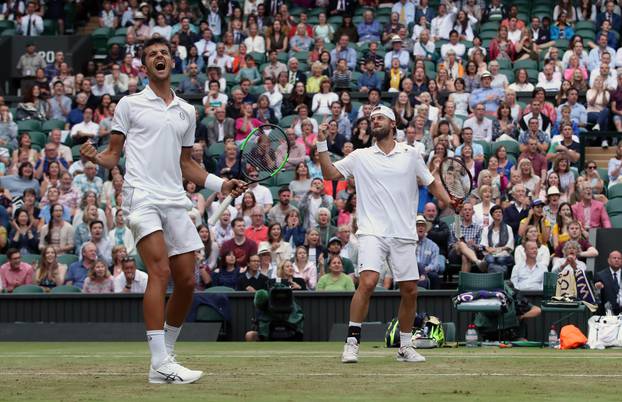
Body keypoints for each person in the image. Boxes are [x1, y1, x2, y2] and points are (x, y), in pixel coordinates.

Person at [79, 37, 245, 384]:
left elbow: (187, 164)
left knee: (186, 280)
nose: (159, 57)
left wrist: (220, 184)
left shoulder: (187, 111)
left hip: (173, 199)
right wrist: (96, 157)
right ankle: (160, 361)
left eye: (164, 53)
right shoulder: (129, 104)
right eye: (152, 54)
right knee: (160, 272)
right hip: (141, 197)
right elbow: (113, 155)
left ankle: (164, 358)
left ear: (172, 62)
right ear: (144, 65)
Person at [316, 104, 450, 363]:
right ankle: (352, 343)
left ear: (393, 124)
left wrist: (447, 201)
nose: (374, 121)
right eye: (372, 118)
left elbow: (431, 183)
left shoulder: (411, 154)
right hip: (372, 232)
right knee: (367, 282)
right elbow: (329, 173)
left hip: (403, 233)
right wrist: (322, 143)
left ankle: (405, 346)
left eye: (380, 118)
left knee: (410, 290)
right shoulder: (360, 155)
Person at [414, 215, 440, 289]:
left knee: (434, 276)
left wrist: (424, 271)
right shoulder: (409, 244)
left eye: (423, 226)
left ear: (426, 229)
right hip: (411, 272)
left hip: (427, 271)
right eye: (418, 226)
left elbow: (435, 265)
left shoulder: (433, 246)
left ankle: (435, 299)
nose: (421, 227)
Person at [594, 250, 622, 315]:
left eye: (619, 258)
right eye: (614, 258)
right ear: (609, 260)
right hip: (606, 313)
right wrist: (597, 287)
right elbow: (595, 289)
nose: (617, 260)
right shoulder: (600, 275)